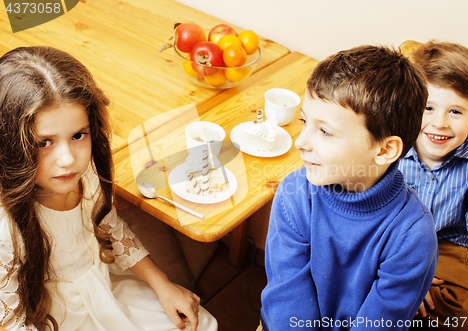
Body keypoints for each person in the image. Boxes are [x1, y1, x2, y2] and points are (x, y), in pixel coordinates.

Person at [0, 46, 218, 331]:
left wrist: (162, 284)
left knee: (203, 323)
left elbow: (111, 227)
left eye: (78, 135)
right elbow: (11, 320)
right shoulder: (6, 228)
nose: (68, 160)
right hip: (52, 316)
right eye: (44, 142)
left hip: (102, 289)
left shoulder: (85, 171)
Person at [259, 45, 438, 330]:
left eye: (325, 131)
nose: (301, 142)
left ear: (384, 150)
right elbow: (286, 301)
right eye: (305, 121)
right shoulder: (294, 195)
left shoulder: (413, 236)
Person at [399, 41, 468, 330]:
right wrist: (407, 274)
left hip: (450, 249)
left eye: (455, 112)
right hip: (390, 239)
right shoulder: (391, 144)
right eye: (428, 107)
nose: (439, 123)